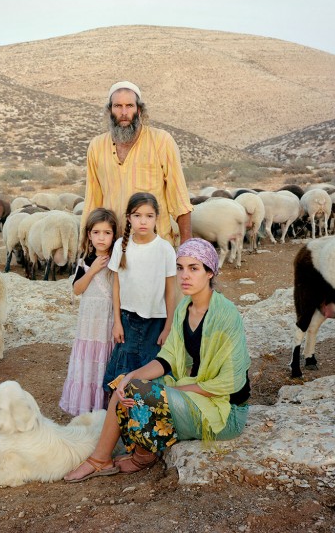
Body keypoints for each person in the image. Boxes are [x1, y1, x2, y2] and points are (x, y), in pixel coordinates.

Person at [63, 238, 251, 482]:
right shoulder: (184, 308)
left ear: (210, 272)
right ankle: (102, 459)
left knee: (144, 393)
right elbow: (167, 358)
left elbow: (231, 383)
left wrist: (169, 392)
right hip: (198, 395)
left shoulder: (225, 315)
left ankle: (141, 456)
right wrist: (131, 376)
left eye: (194, 268)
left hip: (224, 412)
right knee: (124, 384)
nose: (184, 275)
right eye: (180, 268)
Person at [81, 81, 193, 244]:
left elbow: (179, 199)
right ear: (110, 110)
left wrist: (187, 244)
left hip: (155, 246)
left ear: (139, 110)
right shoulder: (96, 146)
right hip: (114, 247)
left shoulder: (161, 141)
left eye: (129, 106)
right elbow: (92, 201)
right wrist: (86, 246)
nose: (124, 112)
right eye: (118, 106)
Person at [102, 192, 177, 392]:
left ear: (156, 217)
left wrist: (168, 327)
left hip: (156, 322)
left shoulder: (165, 249)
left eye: (149, 216)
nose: (143, 221)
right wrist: (117, 322)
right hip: (128, 320)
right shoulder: (121, 246)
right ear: (128, 218)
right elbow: (116, 286)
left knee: (152, 372)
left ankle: (147, 411)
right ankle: (119, 409)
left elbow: (171, 291)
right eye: (137, 215)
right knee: (122, 371)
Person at [59, 207, 120, 415]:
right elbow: (77, 289)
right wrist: (92, 270)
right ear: (89, 235)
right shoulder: (85, 260)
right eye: (96, 232)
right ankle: (87, 406)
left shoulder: (116, 260)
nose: (101, 238)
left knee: (105, 360)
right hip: (89, 323)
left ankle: (104, 407)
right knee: (89, 361)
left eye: (107, 232)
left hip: (108, 321)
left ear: (114, 235)